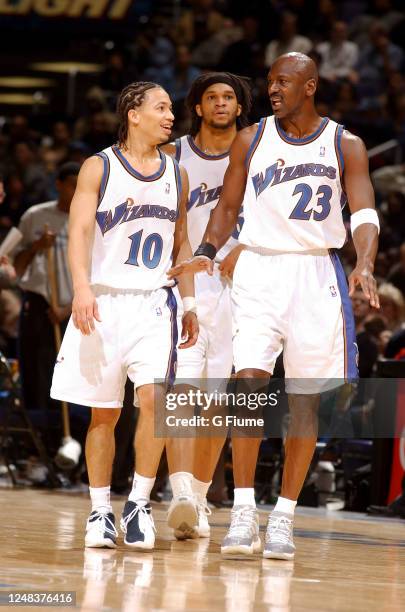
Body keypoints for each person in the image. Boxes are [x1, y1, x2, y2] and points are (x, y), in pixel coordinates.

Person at [169, 52, 380, 560]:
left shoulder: (344, 143)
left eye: (284, 82)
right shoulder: (252, 137)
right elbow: (226, 207)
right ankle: (243, 509)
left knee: (305, 400)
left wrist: (366, 262)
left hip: (315, 270)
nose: (273, 90)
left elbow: (365, 208)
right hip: (259, 269)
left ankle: (282, 516)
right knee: (248, 385)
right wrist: (203, 252)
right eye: (270, 82)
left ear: (310, 87)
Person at [50, 82, 198, 550]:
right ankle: (99, 510)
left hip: (154, 302)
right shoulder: (99, 166)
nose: (170, 116)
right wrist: (81, 289)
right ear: (133, 113)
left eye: (171, 109)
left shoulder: (177, 173)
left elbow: (182, 242)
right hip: (103, 300)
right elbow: (77, 233)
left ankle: (137, 503)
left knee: (154, 402)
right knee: (104, 414)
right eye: (161, 108)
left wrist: (190, 301)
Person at [161, 72, 252, 540]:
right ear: (197, 107)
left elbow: (268, 216)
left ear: (239, 107)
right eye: (211, 97)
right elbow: (169, 225)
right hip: (185, 281)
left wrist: (246, 246)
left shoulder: (256, 150)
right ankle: (178, 492)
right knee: (181, 390)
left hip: (240, 285)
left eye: (229, 97)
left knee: (218, 397)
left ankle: (197, 498)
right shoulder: (174, 155)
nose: (220, 103)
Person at [14, 162, 80, 415]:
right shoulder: (35, 216)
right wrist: (36, 246)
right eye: (72, 185)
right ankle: (38, 434)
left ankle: (66, 435)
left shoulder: (89, 219)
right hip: (39, 302)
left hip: (73, 307)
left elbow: (97, 269)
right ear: (59, 185)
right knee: (35, 369)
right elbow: (14, 263)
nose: (77, 190)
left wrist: (68, 308)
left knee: (67, 371)